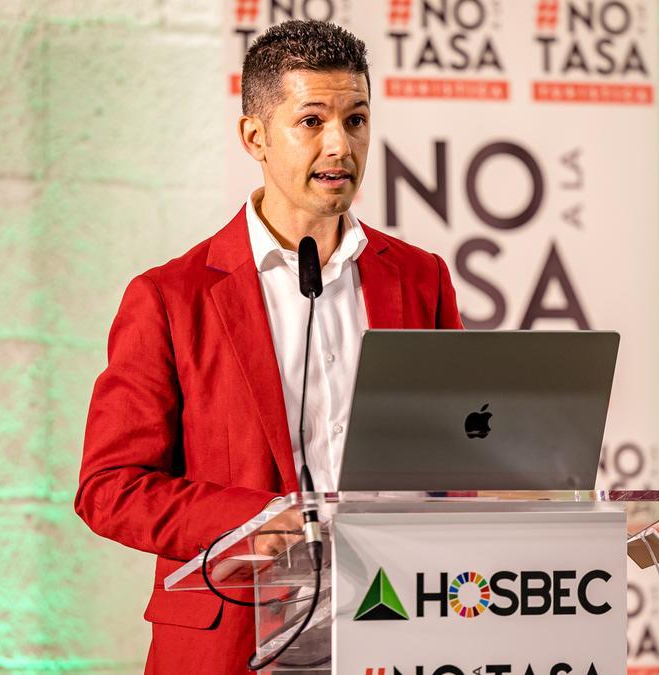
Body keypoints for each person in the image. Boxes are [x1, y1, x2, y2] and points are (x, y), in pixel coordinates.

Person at [74, 20, 464, 673]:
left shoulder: (419, 277)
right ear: (255, 136)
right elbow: (108, 487)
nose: (340, 144)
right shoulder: (171, 298)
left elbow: (462, 454)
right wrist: (253, 518)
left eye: (357, 119)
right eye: (311, 121)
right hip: (234, 643)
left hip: (397, 629)